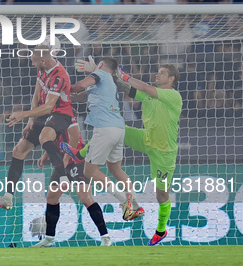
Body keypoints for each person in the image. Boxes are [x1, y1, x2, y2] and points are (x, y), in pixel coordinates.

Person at [74, 57, 182, 246]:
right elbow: (125, 89)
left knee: (161, 194)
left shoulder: (173, 95)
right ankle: (82, 153)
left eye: (162, 73)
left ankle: (161, 230)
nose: (157, 74)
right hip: (145, 138)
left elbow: (145, 88)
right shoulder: (149, 95)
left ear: (171, 78)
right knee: (114, 128)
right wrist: (106, 74)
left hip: (164, 152)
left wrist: (123, 74)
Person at [0, 45, 74, 210]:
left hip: (60, 114)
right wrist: (31, 121)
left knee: (44, 137)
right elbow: (36, 94)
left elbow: (49, 107)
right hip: (43, 114)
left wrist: (22, 114)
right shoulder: (42, 68)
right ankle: (7, 198)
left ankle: (64, 178)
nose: (32, 64)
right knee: (18, 151)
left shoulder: (60, 76)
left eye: (34, 62)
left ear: (43, 60)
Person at [64, 57, 143, 221]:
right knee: (116, 169)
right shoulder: (109, 83)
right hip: (119, 128)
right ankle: (136, 205)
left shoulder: (99, 74)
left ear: (100, 65)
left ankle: (124, 202)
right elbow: (82, 95)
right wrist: (67, 99)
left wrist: (62, 89)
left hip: (104, 128)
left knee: (89, 171)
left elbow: (78, 86)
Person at [34, 118, 113, 247]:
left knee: (84, 196)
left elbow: (75, 138)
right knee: (52, 196)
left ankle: (105, 237)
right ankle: (49, 239)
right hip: (63, 163)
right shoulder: (50, 117)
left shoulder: (67, 113)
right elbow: (52, 141)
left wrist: (64, 161)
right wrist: (45, 156)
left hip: (78, 159)